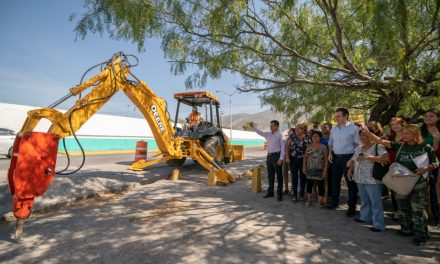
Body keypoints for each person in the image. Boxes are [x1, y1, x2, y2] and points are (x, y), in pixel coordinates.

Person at [362, 124, 439, 245]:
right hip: (401, 181)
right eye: (404, 133)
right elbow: (379, 140)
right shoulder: (400, 145)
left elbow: (436, 163)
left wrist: (426, 168)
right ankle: (406, 229)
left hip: (419, 183)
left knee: (418, 209)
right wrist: (367, 132)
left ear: (416, 134)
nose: (405, 136)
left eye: (408, 133)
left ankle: (422, 234)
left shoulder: (425, 147)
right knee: (402, 206)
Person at [348, 129, 389, 232]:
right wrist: (350, 170)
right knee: (364, 199)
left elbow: (386, 159)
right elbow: (354, 159)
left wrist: (369, 157)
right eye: (361, 136)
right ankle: (365, 217)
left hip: (372, 179)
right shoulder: (359, 148)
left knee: (376, 202)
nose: (363, 138)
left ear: (372, 135)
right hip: (359, 177)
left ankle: (379, 224)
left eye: (365, 135)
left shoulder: (378, 146)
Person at [327, 108, 361, 217]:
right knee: (334, 182)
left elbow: (358, 145)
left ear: (345, 116)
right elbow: (330, 142)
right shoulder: (333, 129)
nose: (336, 118)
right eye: (335, 116)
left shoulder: (354, 129)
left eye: (338, 116)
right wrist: (330, 153)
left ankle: (351, 207)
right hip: (335, 158)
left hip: (348, 158)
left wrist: (353, 159)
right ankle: (334, 202)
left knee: (351, 184)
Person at [252, 120, 285, 201]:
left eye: (272, 126)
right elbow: (261, 133)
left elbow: (283, 148)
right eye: (270, 126)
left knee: (279, 176)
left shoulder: (280, 135)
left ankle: (279, 194)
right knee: (270, 175)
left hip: (277, 156)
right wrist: (254, 127)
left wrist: (281, 158)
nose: (271, 127)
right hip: (269, 156)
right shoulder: (269, 134)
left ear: (277, 126)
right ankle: (270, 192)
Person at [420, 109, 440, 227]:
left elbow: (435, 151)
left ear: (438, 118)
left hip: (435, 163)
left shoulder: (438, 131)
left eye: (431, 116)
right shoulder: (420, 130)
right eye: (426, 116)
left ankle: (437, 216)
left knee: (435, 191)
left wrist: (436, 139)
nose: (427, 118)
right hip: (421, 163)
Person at [286, 123, 310, 202]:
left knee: (303, 177)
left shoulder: (307, 137)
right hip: (293, 159)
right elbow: (287, 146)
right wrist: (287, 157)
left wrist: (306, 161)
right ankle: (295, 195)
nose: (296, 129)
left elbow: (308, 150)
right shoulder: (292, 136)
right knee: (294, 177)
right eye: (296, 128)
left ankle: (302, 195)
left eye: (299, 128)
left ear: (303, 130)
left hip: (303, 160)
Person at [303, 131, 328, 207]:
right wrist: (304, 167)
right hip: (309, 169)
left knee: (320, 185)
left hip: (320, 169)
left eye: (317, 136)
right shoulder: (308, 146)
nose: (315, 137)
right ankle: (309, 200)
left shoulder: (324, 147)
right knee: (309, 185)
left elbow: (326, 160)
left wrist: (325, 171)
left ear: (320, 138)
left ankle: (319, 202)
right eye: (313, 136)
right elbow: (305, 157)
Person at [282, 128, 295, 194]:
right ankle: (286, 188)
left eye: (290, 131)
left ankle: (292, 190)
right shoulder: (286, 139)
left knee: (292, 175)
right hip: (285, 159)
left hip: (292, 159)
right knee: (284, 174)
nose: (289, 132)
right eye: (289, 131)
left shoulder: (295, 139)